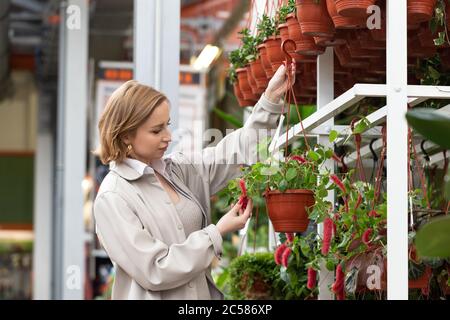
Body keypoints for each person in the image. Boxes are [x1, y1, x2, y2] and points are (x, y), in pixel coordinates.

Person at [93, 63, 295, 300]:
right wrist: (217, 232)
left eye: (167, 125)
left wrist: (270, 100)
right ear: (126, 134)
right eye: (156, 131)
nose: (168, 137)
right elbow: (155, 270)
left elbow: (233, 153)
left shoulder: (176, 171)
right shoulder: (114, 197)